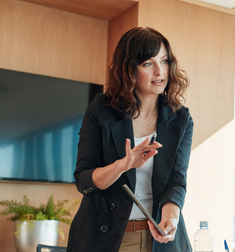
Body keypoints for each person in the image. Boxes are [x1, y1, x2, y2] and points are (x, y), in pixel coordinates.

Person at [67, 27, 194, 252]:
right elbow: (83, 180)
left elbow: (176, 181)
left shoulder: (180, 118)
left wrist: (171, 218)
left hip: (161, 241)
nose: (159, 71)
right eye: (147, 63)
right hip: (107, 238)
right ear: (128, 69)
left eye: (164, 61)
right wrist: (121, 166)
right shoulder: (101, 109)